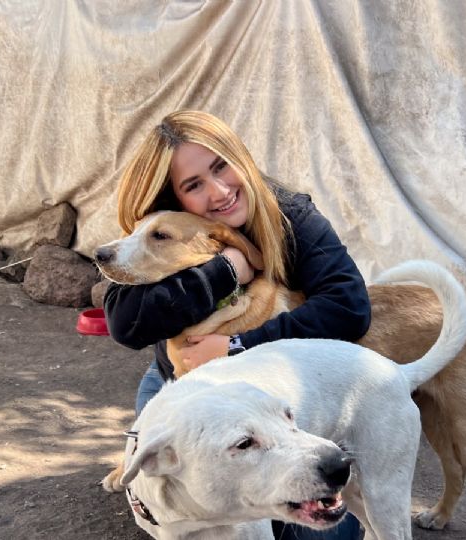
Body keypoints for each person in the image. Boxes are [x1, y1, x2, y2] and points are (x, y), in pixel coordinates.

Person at [104, 110, 370, 540]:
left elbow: (349, 305)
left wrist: (238, 344)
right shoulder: (167, 230)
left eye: (220, 166)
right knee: (167, 485)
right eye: (193, 185)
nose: (219, 191)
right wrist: (228, 268)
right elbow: (125, 322)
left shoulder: (292, 215)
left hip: (268, 380)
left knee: (314, 532)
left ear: (239, 157)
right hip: (181, 380)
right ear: (175, 198)